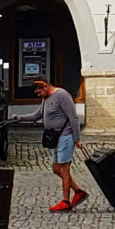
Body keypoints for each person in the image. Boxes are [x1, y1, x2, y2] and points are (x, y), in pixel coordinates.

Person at [38, 78, 88, 213]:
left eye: (39, 92)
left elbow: (73, 118)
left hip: (65, 136)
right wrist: (19, 118)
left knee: (64, 169)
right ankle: (78, 191)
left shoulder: (62, 95)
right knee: (56, 168)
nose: (38, 95)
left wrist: (77, 139)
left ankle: (66, 201)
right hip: (54, 137)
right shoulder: (46, 98)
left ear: (45, 86)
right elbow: (38, 115)